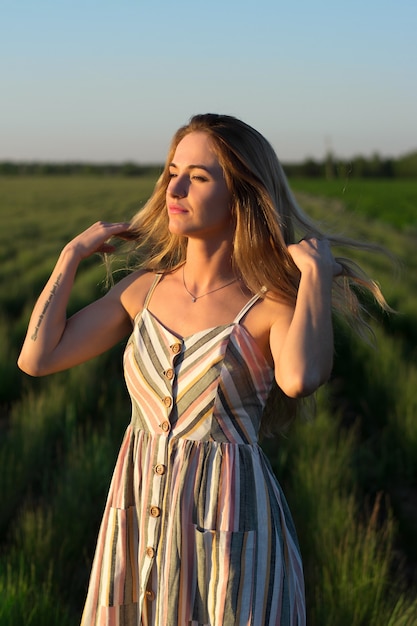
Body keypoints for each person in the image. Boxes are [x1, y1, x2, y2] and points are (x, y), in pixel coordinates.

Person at [18, 114, 389, 626]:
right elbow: (36, 359)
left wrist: (315, 280)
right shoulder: (143, 289)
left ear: (241, 193)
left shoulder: (268, 306)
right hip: (138, 521)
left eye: (199, 175)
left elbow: (301, 378)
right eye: (172, 171)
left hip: (229, 529)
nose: (176, 187)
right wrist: (69, 256)